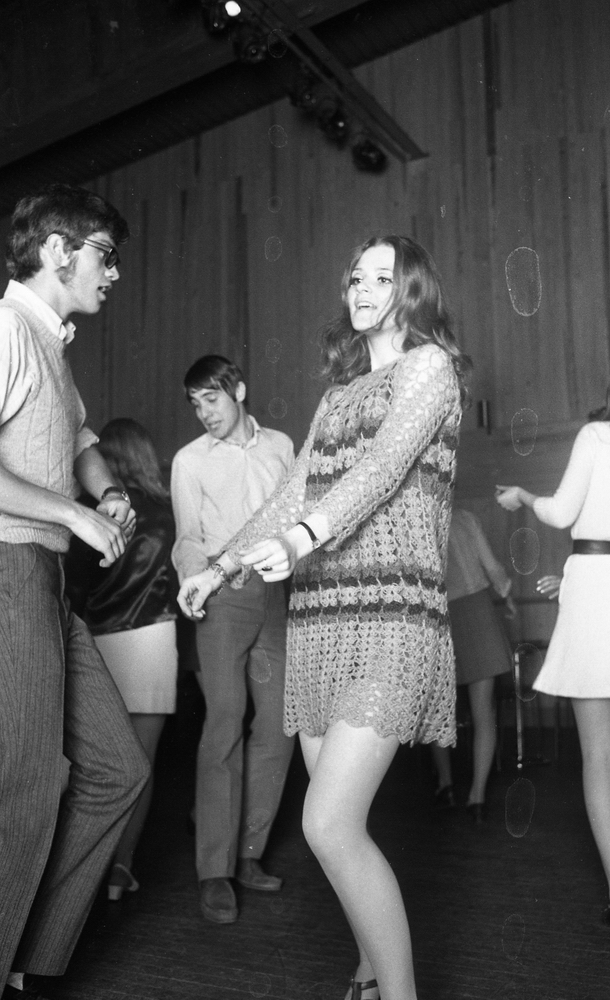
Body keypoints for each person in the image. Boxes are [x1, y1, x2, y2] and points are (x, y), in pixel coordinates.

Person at [177, 236, 471, 1000]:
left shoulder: (429, 367)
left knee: (327, 823)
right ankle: (371, 970)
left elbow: (383, 467)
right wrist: (222, 565)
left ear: (412, 289)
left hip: (392, 616)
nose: (362, 288)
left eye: (382, 277)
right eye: (354, 277)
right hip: (318, 621)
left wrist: (302, 537)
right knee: (335, 830)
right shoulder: (337, 395)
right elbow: (291, 491)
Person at [0, 184, 150, 1000]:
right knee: (24, 790)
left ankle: (25, 958)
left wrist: (106, 492)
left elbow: (82, 439)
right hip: (9, 572)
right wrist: (73, 514)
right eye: (105, 255)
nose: (114, 273)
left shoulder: (51, 346)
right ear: (57, 251)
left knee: (117, 771)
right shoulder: (4, 329)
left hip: (48, 584)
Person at [171, 355, 295, 924]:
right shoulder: (189, 460)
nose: (204, 412)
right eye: (195, 403)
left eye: (212, 399)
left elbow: (297, 519)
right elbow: (187, 538)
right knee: (224, 720)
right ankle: (214, 872)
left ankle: (249, 852)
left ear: (238, 391)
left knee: (278, 724)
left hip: (275, 594)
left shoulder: (281, 447)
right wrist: (195, 579)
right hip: (220, 595)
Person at [496, 388, 610, 924]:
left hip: (594, 593)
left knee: (599, 759)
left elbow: (563, 513)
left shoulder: (596, 435)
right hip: (590, 582)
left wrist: (523, 495)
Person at [64, 418, 179, 902]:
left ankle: (84, 875)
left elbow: (75, 586)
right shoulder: (168, 513)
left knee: (95, 767)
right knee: (142, 763)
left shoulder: (89, 515)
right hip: (154, 638)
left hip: (98, 641)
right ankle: (121, 869)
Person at [430, 507, 516, 823]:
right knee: (483, 713)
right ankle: (476, 796)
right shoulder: (466, 518)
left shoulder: (418, 519)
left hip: (438, 615)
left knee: (437, 713)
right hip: (478, 612)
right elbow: (492, 567)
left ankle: (446, 785)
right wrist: (506, 594)